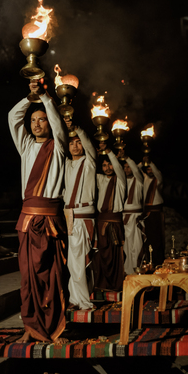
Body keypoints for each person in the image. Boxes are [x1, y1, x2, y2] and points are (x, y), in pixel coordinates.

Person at [8, 81, 69, 343]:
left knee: (54, 277)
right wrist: (29, 97)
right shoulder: (26, 147)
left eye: (41, 120)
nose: (36, 124)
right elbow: (13, 117)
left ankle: (56, 328)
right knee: (28, 279)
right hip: (27, 221)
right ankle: (30, 327)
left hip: (50, 222)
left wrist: (45, 97)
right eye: (33, 120)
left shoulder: (59, 147)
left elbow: (58, 123)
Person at [63, 121, 96, 310]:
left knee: (80, 259)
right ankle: (75, 298)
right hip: (69, 215)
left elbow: (89, 145)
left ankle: (82, 300)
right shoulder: (67, 164)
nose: (76, 146)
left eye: (78, 142)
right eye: (72, 143)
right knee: (72, 262)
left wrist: (77, 128)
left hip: (83, 215)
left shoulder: (89, 161)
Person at [93, 143, 126, 291]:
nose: (107, 168)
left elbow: (119, 168)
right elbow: (90, 168)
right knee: (102, 255)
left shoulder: (120, 181)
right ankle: (103, 285)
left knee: (115, 255)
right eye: (105, 165)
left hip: (114, 222)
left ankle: (116, 285)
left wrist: (109, 151)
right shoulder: (100, 179)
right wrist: (98, 154)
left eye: (110, 165)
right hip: (101, 222)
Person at [121, 151, 144, 275]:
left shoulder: (139, 180)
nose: (126, 169)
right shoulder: (121, 181)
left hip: (136, 217)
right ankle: (128, 273)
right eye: (124, 167)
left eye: (128, 166)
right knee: (126, 248)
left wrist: (127, 157)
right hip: (124, 217)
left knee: (137, 246)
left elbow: (136, 170)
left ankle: (138, 271)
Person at [139, 158, 165, 265]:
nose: (150, 171)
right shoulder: (144, 179)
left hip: (156, 213)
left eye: (151, 169)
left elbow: (157, 173)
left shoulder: (158, 180)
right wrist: (142, 162)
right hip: (146, 213)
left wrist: (150, 162)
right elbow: (135, 169)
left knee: (157, 238)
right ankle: (150, 261)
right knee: (148, 238)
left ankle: (158, 261)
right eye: (148, 169)